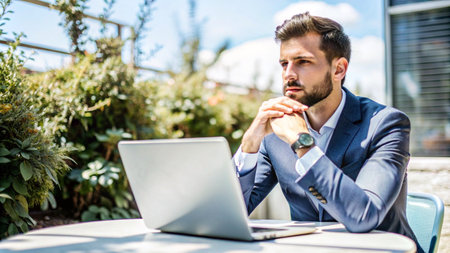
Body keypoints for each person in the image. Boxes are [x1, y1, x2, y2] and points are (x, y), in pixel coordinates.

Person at [234, 12, 422, 252]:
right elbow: (232, 213)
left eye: (303, 61)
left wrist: (302, 143)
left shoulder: (386, 124)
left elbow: (364, 216)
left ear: (338, 69)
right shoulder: (275, 134)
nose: (289, 74)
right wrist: (249, 145)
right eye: (284, 63)